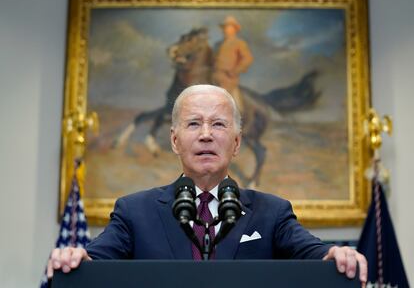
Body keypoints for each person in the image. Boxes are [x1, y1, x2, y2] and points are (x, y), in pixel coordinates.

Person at [48, 85, 367, 286]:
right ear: (174, 140)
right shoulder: (135, 212)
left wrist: (337, 254)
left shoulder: (271, 213)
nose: (205, 134)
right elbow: (95, 262)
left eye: (218, 124)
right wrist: (75, 258)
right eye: (193, 124)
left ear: (237, 142)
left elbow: (313, 253)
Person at [212, 16, 253, 114]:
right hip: (214, 77)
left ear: (235, 29)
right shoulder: (217, 44)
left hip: (228, 78)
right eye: (225, 27)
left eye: (229, 27)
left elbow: (247, 58)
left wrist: (236, 71)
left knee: (233, 105)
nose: (226, 30)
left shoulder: (239, 43)